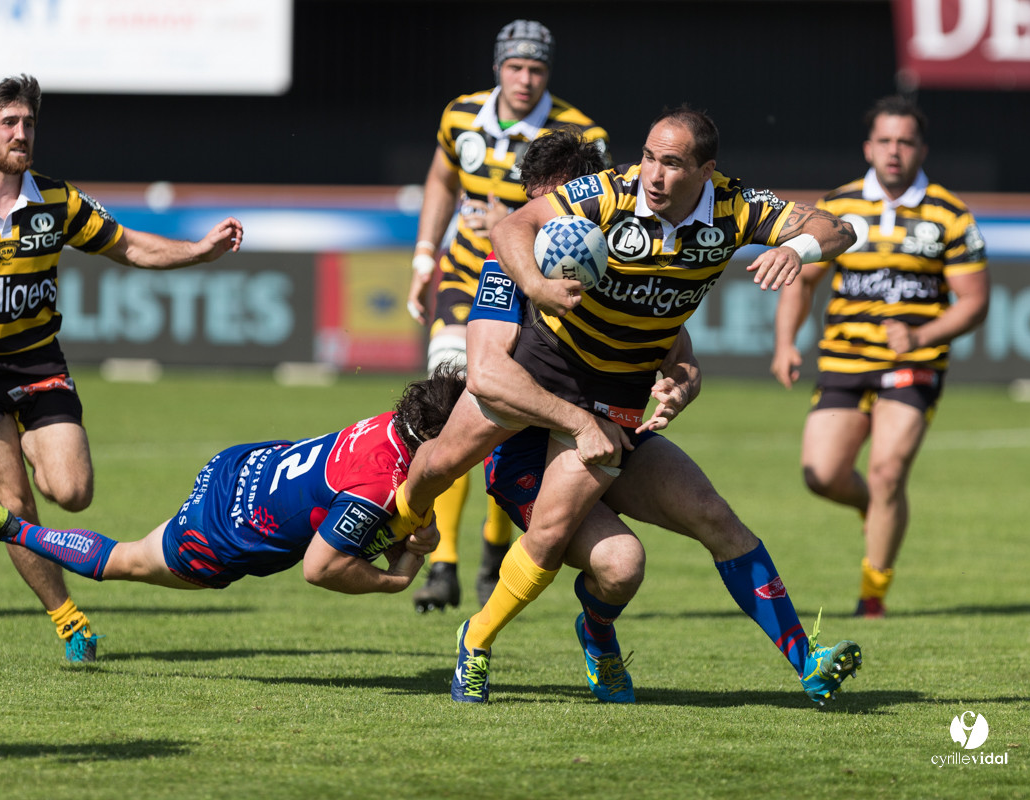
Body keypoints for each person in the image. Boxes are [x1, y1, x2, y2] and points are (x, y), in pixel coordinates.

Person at [392, 107, 864, 705]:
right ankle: (468, 627)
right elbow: (503, 273)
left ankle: (804, 662)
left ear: (706, 171)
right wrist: (538, 289)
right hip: (542, 393)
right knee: (440, 469)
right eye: (647, 157)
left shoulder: (736, 208)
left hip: (613, 410)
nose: (654, 174)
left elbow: (838, 229)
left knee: (665, 543)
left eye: (671, 162)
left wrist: (794, 253)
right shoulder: (597, 203)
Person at [0, 75, 244, 662]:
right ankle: (67, 617)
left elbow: (127, 246)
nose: (22, 133)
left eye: (28, 123)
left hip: (37, 362)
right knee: (15, 504)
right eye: (9, 123)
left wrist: (198, 251)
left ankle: (33, 439)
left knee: (72, 494)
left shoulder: (56, 200)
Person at [405, 19, 610, 613]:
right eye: (516, 67)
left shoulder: (581, 133)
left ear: (550, 73)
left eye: (537, 69)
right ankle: (441, 564)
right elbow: (442, 177)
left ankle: (494, 557)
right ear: (498, 66)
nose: (525, 79)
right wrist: (425, 255)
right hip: (466, 278)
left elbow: (599, 214)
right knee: (450, 411)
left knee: (508, 412)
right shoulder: (459, 115)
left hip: (537, 290)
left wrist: (516, 219)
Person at [0, 369, 466, 598]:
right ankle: (13, 530)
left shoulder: (390, 423)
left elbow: (376, 507)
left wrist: (411, 537)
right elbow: (321, 568)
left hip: (239, 466)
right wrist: (396, 578)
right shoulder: (378, 486)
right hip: (221, 532)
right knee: (124, 560)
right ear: (436, 441)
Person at [771, 95, 989, 619]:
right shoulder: (839, 206)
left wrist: (923, 335)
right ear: (869, 146)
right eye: (885, 140)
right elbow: (802, 280)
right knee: (821, 474)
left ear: (921, 149)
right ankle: (877, 508)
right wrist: (785, 342)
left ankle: (872, 597)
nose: (894, 151)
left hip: (914, 364)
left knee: (889, 469)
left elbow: (975, 303)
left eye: (905, 141)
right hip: (844, 361)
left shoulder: (949, 214)